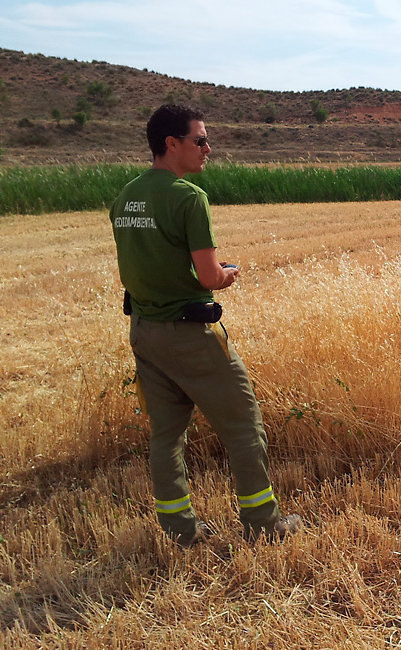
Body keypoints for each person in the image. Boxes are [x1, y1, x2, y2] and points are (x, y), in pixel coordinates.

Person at [109, 104, 300, 546]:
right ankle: (264, 524)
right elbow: (209, 276)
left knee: (166, 434)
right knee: (244, 425)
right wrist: (227, 274)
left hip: (144, 331)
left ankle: (179, 530)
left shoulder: (125, 197)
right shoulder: (188, 197)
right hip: (190, 333)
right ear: (171, 144)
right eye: (200, 140)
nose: (208, 149)